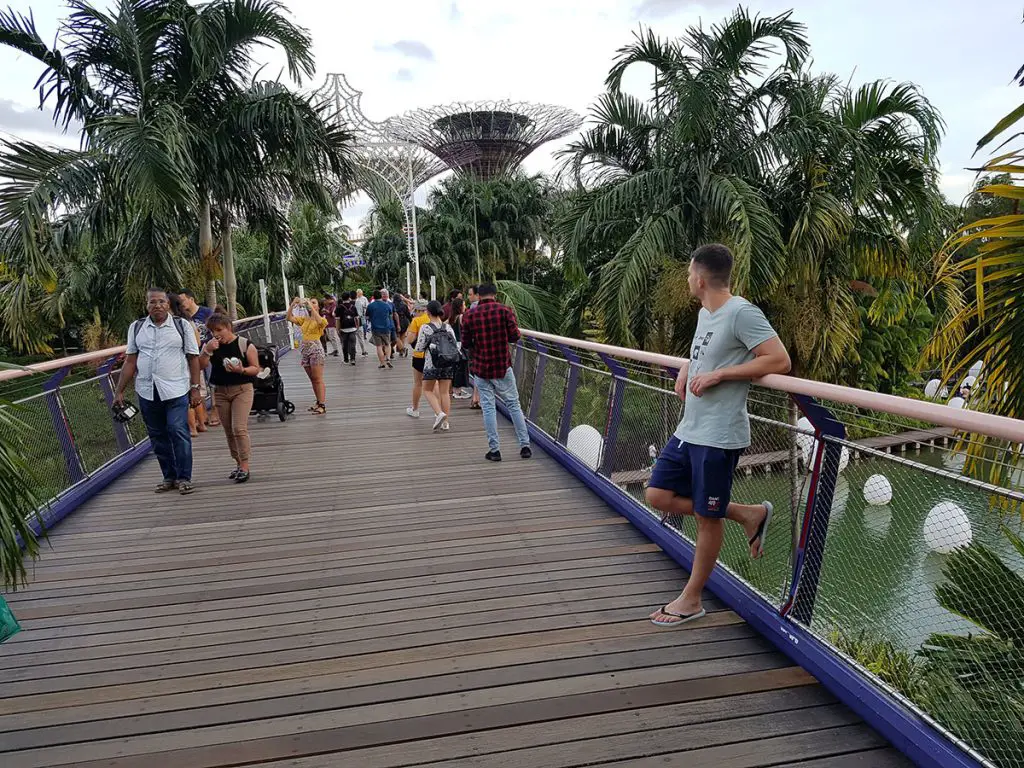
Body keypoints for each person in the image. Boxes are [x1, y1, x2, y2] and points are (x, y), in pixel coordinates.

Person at [647, 244, 791, 628]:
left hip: (719, 434)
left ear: (700, 277)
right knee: (657, 494)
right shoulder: (704, 314)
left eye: (689, 273)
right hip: (690, 427)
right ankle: (747, 513)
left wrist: (720, 375)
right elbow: (703, 354)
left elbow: (779, 359)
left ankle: (691, 599)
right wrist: (686, 367)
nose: (687, 279)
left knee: (706, 518)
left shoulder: (741, 313)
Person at [114, 289, 202, 494]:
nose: (157, 305)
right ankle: (169, 476)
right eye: (152, 302)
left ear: (168, 304)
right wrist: (119, 391)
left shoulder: (181, 326)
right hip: (147, 390)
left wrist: (195, 388)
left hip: (176, 389)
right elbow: (130, 361)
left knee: (177, 430)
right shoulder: (136, 328)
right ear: (146, 305)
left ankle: (184, 477)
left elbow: (193, 358)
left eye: (161, 301)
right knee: (157, 435)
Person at [460, 283, 531, 462]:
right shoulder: (505, 311)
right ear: (494, 294)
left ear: (478, 295)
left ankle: (495, 450)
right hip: (502, 366)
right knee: (514, 405)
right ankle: (525, 446)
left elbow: (466, 343)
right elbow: (515, 336)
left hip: (482, 368)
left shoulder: (470, 315)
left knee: (488, 408)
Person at [199, 313, 259, 482]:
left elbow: (256, 368)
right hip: (220, 391)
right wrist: (207, 350)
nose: (216, 334)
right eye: (212, 331)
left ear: (229, 327)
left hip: (242, 389)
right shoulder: (211, 345)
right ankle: (238, 463)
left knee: (239, 428)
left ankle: (245, 465)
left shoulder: (244, 344)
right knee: (228, 431)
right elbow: (201, 365)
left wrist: (242, 370)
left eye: (219, 330)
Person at [168, 293, 209, 437]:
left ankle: (192, 429)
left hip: (181, 363)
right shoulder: (187, 320)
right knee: (195, 392)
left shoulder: (173, 323)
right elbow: (197, 342)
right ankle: (202, 423)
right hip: (194, 360)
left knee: (185, 396)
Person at [415, 300, 459, 432]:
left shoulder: (426, 327)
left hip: (432, 364)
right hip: (447, 363)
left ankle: (439, 413)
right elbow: (455, 345)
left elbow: (419, 347)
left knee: (427, 390)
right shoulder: (448, 327)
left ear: (428, 312)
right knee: (445, 392)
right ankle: (446, 423)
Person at [287, 297, 328, 414]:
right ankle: (318, 401)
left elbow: (320, 322)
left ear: (318, 306)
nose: (311, 304)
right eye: (311, 302)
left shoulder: (321, 320)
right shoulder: (305, 319)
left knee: (318, 379)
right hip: (305, 350)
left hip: (315, 350)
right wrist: (293, 305)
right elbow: (289, 318)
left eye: (314, 302)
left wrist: (310, 305)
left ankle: (322, 404)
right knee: (312, 379)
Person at [404, 299, 431, 418]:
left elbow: (409, 339)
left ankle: (415, 409)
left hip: (420, 355)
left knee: (418, 383)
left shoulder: (416, 321)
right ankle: (438, 410)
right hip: (433, 355)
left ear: (419, 310)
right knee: (434, 384)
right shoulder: (434, 319)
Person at [448, 297, 472, 399]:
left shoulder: (452, 318)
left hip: (453, 346)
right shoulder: (461, 317)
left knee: (456, 368)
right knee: (461, 368)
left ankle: (455, 390)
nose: (465, 306)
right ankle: (457, 392)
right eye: (464, 304)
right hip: (461, 346)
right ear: (460, 307)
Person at [366, 289, 394, 368]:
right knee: (388, 344)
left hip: (375, 328)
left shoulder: (370, 306)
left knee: (379, 346)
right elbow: (390, 315)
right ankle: (388, 359)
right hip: (386, 327)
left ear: (373, 297)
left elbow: (367, 317)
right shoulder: (386, 305)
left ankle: (382, 363)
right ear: (381, 296)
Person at [335, 291, 360, 365]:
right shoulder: (353, 306)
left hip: (343, 329)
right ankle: (353, 359)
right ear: (349, 298)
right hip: (352, 328)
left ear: (342, 298)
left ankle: (346, 359)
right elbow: (357, 318)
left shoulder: (339, 307)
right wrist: (357, 327)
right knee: (352, 344)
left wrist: (337, 329)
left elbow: (337, 320)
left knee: (344, 344)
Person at [394, 292, 412, 358]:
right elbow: (408, 314)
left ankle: (403, 349)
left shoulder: (393, 305)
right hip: (404, 321)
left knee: (396, 337)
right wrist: (411, 321)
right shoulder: (404, 305)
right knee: (402, 337)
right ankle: (401, 352)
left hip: (396, 322)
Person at [354, 288, 369, 356]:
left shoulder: (364, 298)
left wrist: (364, 308)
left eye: (359, 293)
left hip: (362, 315)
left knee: (364, 326)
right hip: (358, 318)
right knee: (359, 335)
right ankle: (361, 350)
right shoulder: (356, 300)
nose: (359, 294)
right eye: (358, 293)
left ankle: (365, 334)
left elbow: (367, 306)